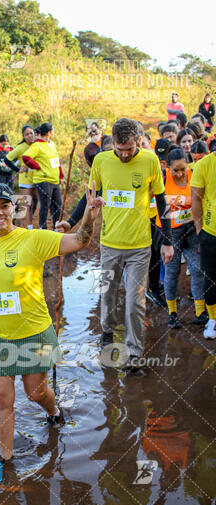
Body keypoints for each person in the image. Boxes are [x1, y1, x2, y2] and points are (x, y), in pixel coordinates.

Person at [0, 182, 101, 460]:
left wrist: (88, 214)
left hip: (33, 333)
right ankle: (7, 458)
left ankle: (53, 411)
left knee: (35, 394)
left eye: (4, 206)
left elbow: (80, 241)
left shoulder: (34, 238)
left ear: (14, 208)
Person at [88, 118, 173, 366]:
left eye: (129, 149)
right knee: (107, 295)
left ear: (138, 140)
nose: (124, 155)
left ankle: (135, 353)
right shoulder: (101, 161)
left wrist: (167, 240)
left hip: (139, 246)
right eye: (119, 149)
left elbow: (161, 201)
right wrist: (71, 222)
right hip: (109, 245)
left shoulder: (150, 160)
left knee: (135, 301)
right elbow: (90, 198)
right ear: (112, 143)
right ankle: (107, 333)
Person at [155, 148, 206, 328]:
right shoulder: (162, 178)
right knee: (172, 271)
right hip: (170, 232)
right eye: (175, 170)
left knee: (197, 268)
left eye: (183, 169)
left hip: (191, 228)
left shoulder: (194, 175)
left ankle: (200, 311)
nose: (179, 173)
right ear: (167, 167)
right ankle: (173, 313)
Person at [191, 149, 216, 339]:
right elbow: (196, 199)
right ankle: (213, 320)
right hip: (211, 232)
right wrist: (200, 229)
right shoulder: (203, 165)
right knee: (211, 277)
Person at [21, 122, 64, 230]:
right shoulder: (37, 145)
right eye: (53, 131)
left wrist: (61, 176)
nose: (54, 133)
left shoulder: (52, 144)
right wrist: (37, 166)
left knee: (58, 205)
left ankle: (56, 227)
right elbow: (26, 157)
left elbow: (56, 161)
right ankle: (43, 228)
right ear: (49, 132)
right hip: (43, 180)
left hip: (54, 180)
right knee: (45, 205)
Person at [4, 125, 37, 229]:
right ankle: (30, 228)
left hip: (37, 179)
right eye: (27, 134)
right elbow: (7, 160)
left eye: (31, 133)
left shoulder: (37, 145)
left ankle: (43, 228)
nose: (30, 136)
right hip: (25, 180)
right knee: (28, 205)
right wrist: (18, 169)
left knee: (41, 203)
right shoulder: (20, 148)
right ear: (23, 136)